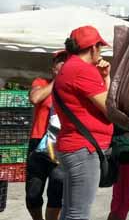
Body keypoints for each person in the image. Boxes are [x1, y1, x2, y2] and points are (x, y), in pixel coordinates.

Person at [53, 25, 113, 220]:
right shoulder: (83, 70)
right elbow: (110, 109)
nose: (101, 51)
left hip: (73, 146)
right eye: (100, 47)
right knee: (79, 213)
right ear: (93, 47)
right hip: (84, 149)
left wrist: (105, 77)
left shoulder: (69, 67)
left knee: (70, 209)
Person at [26, 51, 68, 220]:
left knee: (56, 193)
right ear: (53, 67)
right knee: (32, 193)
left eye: (67, 61)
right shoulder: (41, 82)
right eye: (60, 61)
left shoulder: (71, 90)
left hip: (61, 145)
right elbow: (35, 98)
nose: (64, 64)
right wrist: (57, 81)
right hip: (38, 143)